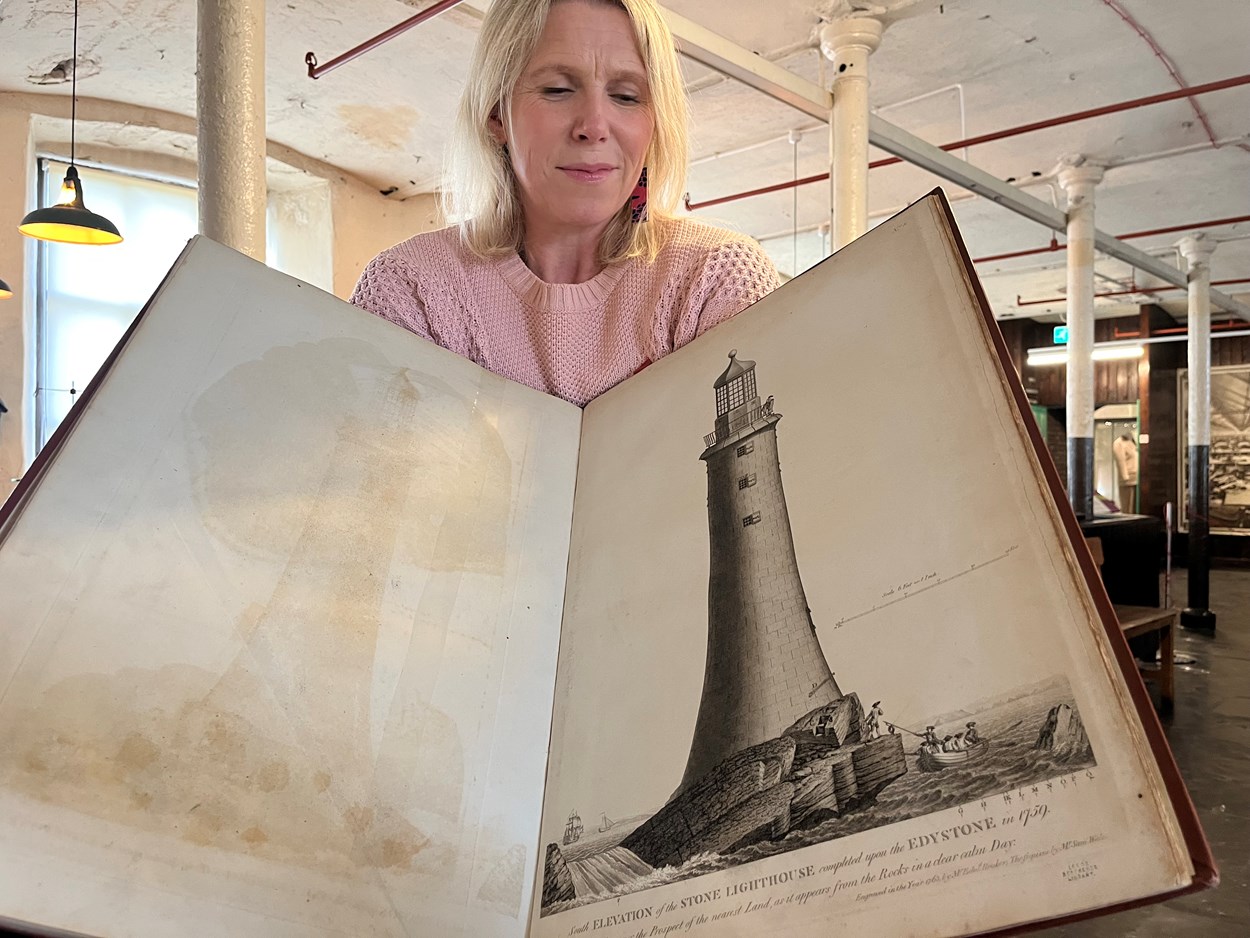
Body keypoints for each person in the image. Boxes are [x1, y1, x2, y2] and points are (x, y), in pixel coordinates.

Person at [351, 0, 781, 408]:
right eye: (557, 89)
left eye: (627, 96)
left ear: (655, 123)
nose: (593, 126)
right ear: (496, 114)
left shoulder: (716, 278)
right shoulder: (410, 288)